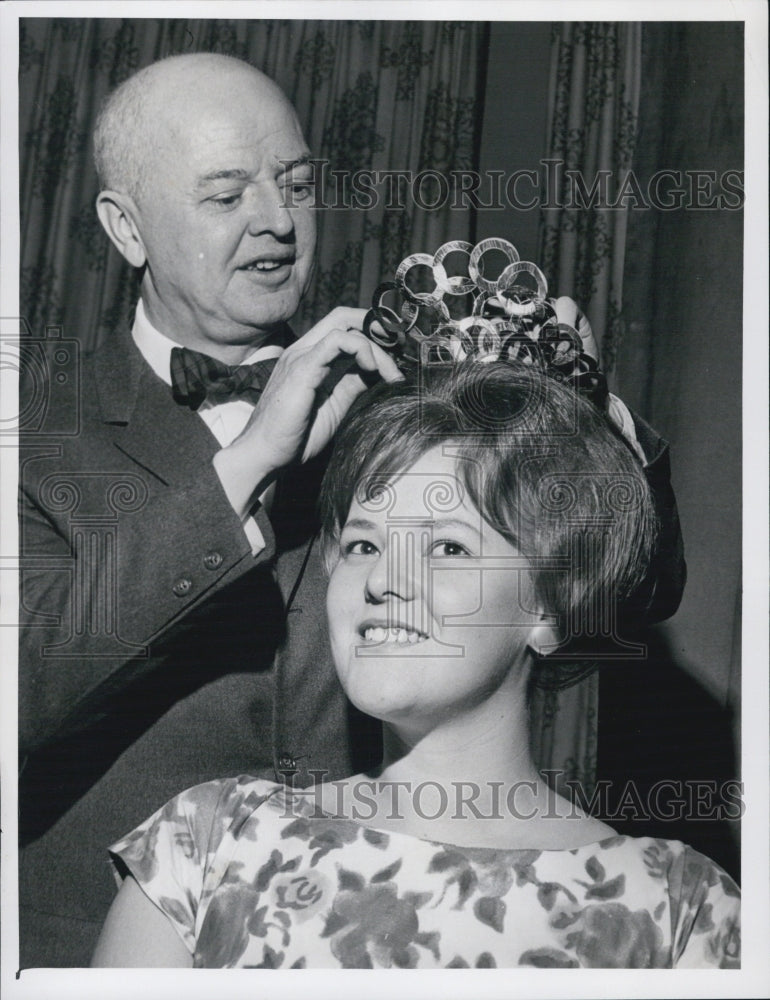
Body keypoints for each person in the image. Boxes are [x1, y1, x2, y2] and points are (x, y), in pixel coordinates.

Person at [18, 52, 682, 967]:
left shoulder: (395, 400)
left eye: (294, 183)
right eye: (225, 197)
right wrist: (246, 464)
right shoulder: (34, 422)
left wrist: (591, 412)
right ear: (124, 228)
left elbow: (621, 594)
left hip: (372, 926)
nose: (276, 221)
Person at [91, 361, 737, 969]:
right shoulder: (203, 848)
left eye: (448, 546)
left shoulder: (681, 915)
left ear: (550, 607)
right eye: (363, 542)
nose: (381, 580)